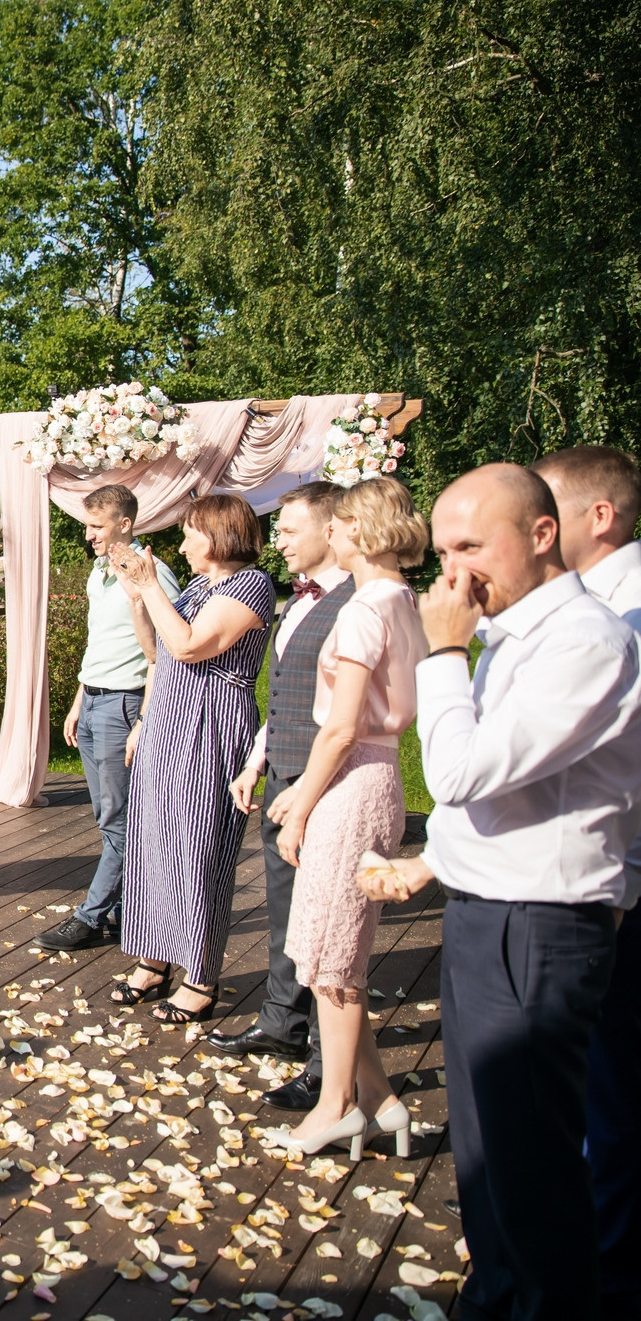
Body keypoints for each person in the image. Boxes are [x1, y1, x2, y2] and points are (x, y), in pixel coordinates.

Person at [360, 463, 641, 1321]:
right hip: (491, 916)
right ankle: (496, 1300)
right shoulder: (517, 632)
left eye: (472, 546)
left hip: (542, 924)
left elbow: (459, 773)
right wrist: (431, 864)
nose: (455, 573)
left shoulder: (589, 641)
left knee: (532, 1169)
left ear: (544, 533)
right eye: (444, 550)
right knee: (485, 1161)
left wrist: (443, 651)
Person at [258, 479, 430, 1157]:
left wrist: (299, 804)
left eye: (341, 524)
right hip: (377, 774)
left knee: (334, 962)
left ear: (359, 531)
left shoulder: (363, 609)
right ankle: (383, 1101)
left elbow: (340, 727)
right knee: (333, 944)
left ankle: (336, 1106)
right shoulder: (402, 599)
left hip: (352, 778)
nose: (330, 533)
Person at [531, 444, 641, 1319]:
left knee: (613, 1088)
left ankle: (607, 1272)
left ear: (598, 516)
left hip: (610, 886)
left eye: (548, 509)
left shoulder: (624, 614)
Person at [106, 493, 275, 1024]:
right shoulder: (201, 585)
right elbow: (156, 651)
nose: (182, 543)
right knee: (153, 842)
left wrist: (153, 585)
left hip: (212, 724)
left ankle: (201, 975)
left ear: (220, 535)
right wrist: (138, 597)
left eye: (190, 532)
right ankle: (154, 959)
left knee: (198, 848)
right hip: (168, 721)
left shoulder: (251, 585)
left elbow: (192, 646)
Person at [212, 480, 352, 1110]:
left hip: (328, 780)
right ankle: (280, 1023)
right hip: (282, 768)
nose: (280, 541)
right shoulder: (296, 602)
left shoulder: (358, 602)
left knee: (328, 927)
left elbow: (347, 716)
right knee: (285, 909)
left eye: (292, 530)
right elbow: (289, 693)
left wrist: (303, 790)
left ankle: (330, 1066)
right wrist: (256, 760)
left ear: (331, 529)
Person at [36, 484, 180, 952]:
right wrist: (80, 700)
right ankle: (124, 911)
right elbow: (98, 644)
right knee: (107, 818)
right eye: (87, 524)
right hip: (96, 701)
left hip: (126, 705)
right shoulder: (98, 574)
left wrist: (146, 718)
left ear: (125, 525)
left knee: (119, 820)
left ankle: (90, 917)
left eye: (97, 526)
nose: (88, 534)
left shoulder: (152, 574)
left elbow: (169, 650)